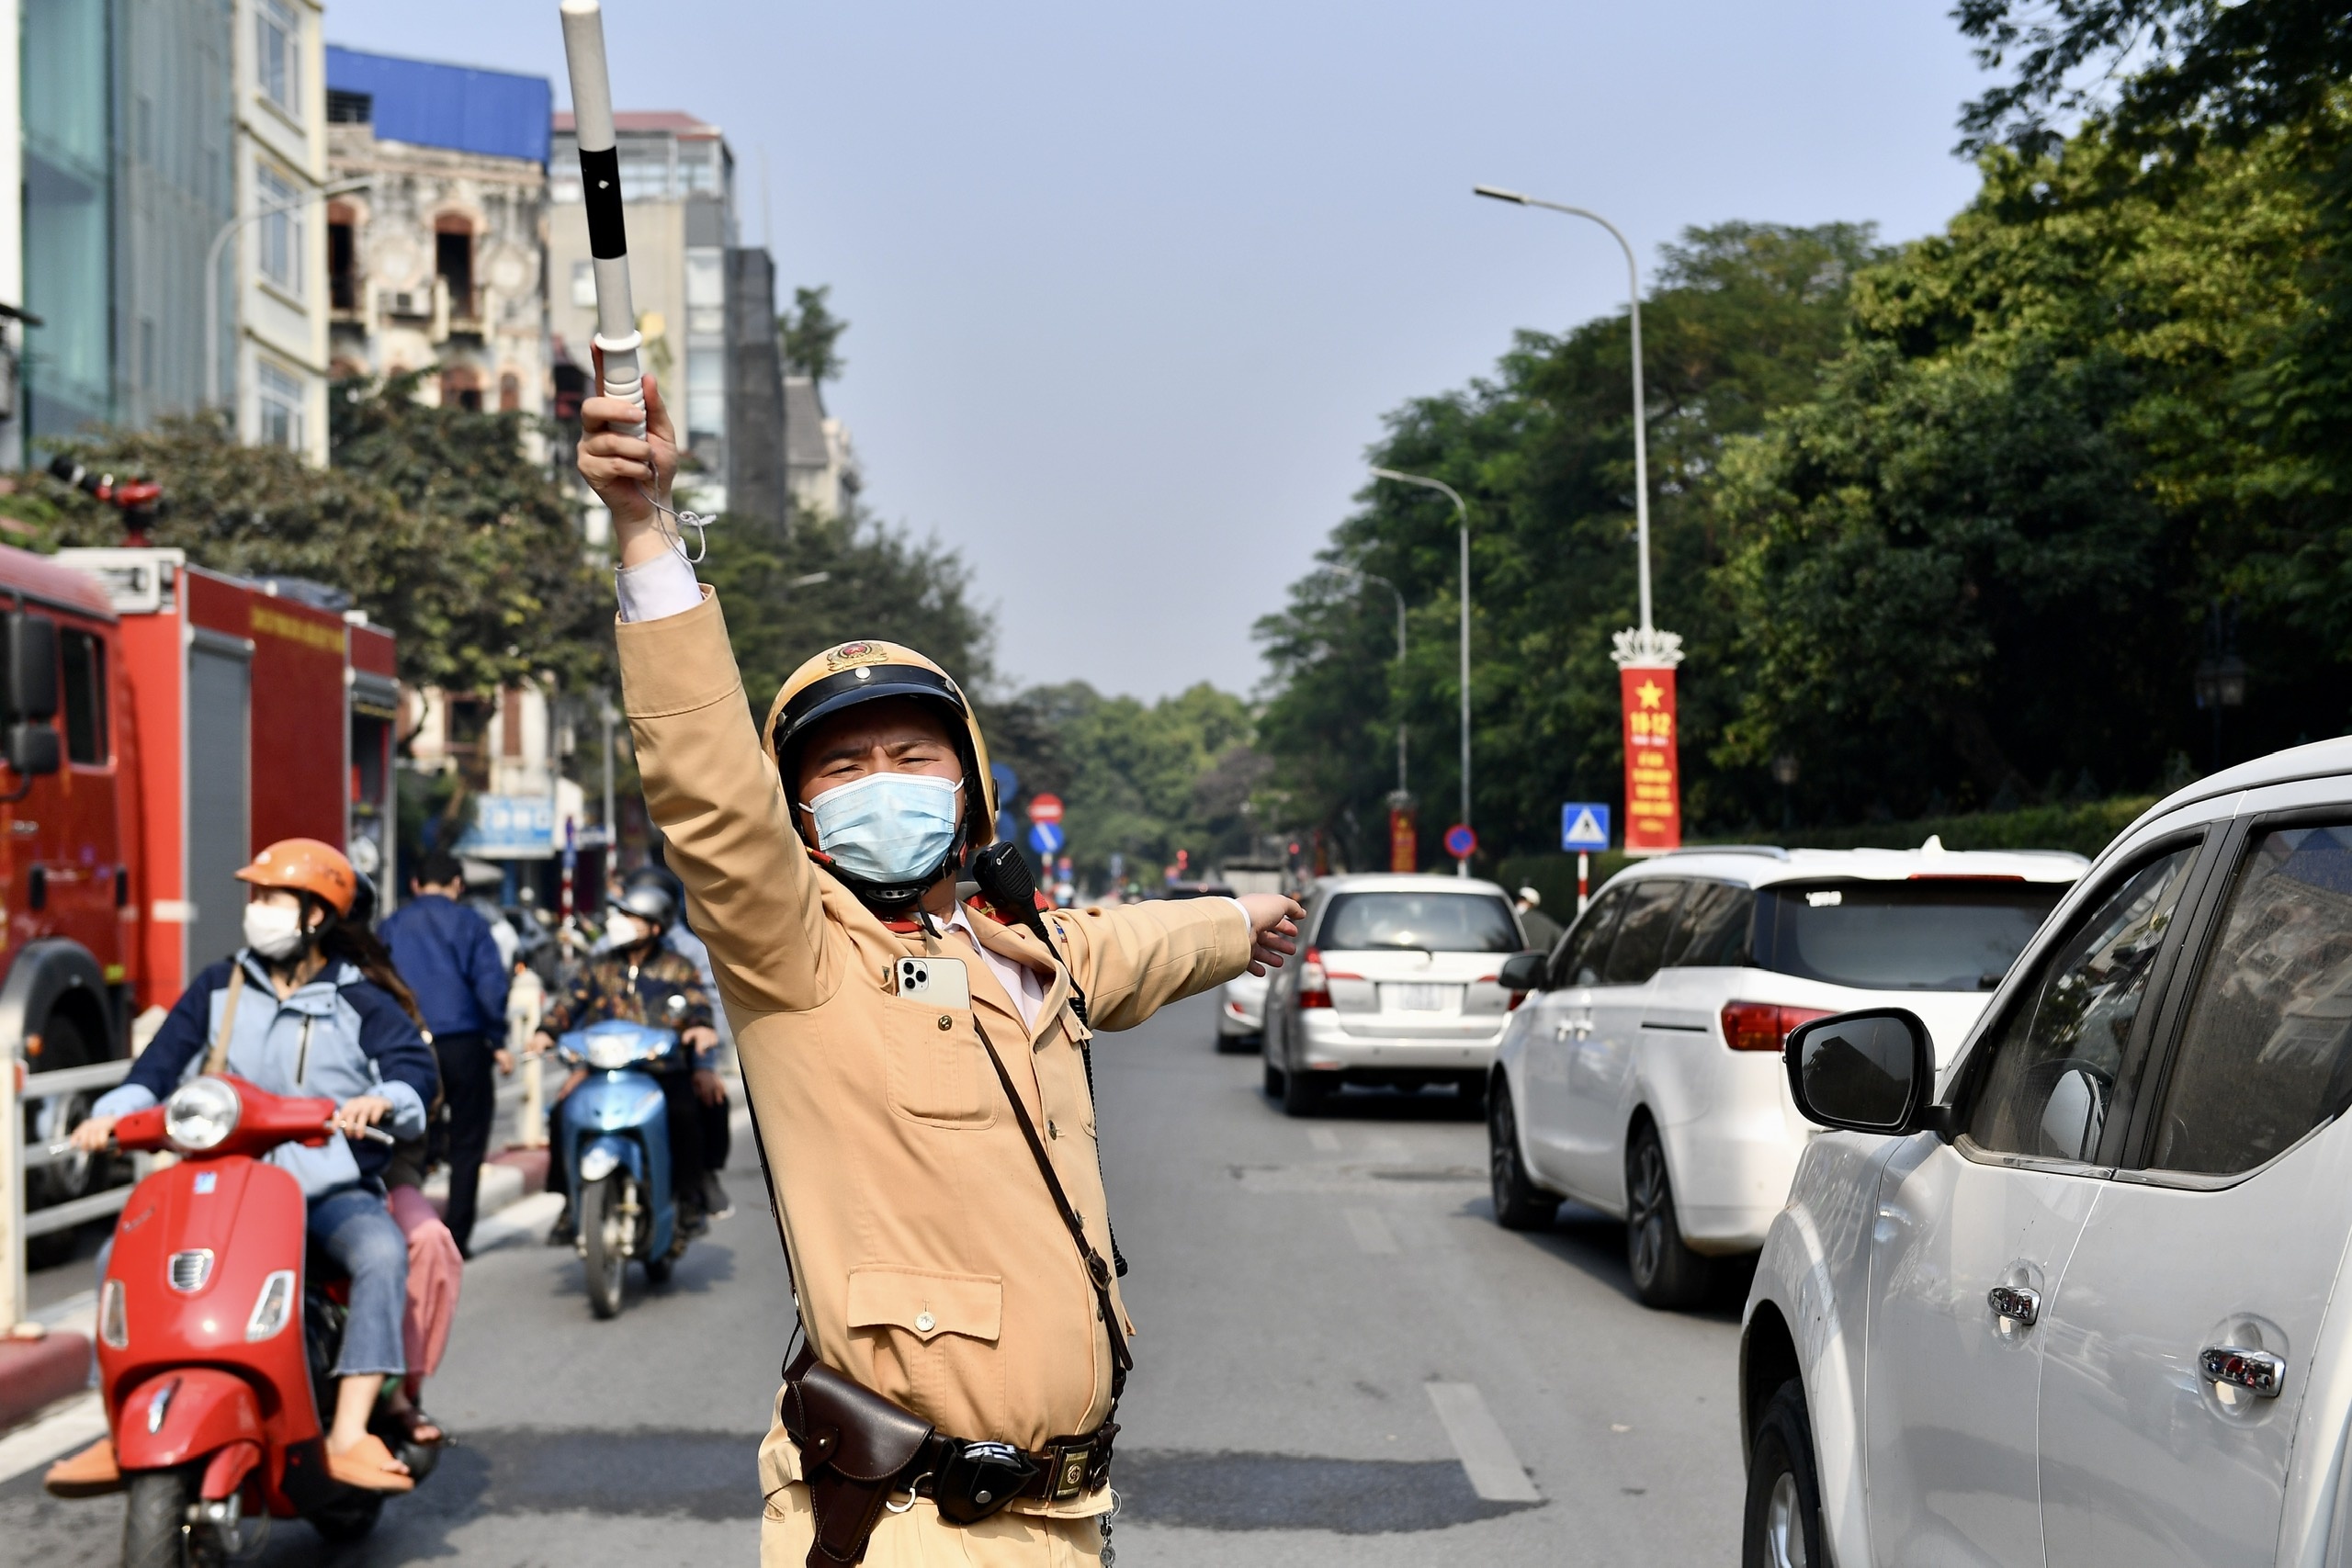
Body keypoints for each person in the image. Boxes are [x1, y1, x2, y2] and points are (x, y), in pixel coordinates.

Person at [578, 364, 1302, 1568]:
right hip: (911, 1526)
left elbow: (1119, 948)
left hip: (1062, 1515)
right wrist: (647, 528)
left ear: (967, 788)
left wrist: (1241, 914)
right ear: (799, 816)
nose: (882, 785)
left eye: (911, 755)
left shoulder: (1011, 944)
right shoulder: (795, 958)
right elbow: (708, 793)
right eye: (841, 771)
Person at [50, 839, 438, 1494]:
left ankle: (348, 1430)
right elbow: (153, 1072)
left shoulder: (358, 996)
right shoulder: (221, 984)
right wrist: (107, 1116)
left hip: (325, 1190)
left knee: (379, 1251)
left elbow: (412, 1072)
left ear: (316, 914)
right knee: (113, 1257)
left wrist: (383, 1099)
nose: (255, 909)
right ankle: (116, 1422)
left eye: (270, 897)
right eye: (254, 896)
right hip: (221, 1190)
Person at [532, 877, 723, 1245]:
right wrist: (546, 1031)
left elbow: (697, 1005)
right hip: (602, 1069)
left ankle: (689, 1200)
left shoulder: (677, 967)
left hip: (660, 1070)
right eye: (621, 914)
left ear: (654, 926)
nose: (621, 921)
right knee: (561, 1113)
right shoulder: (599, 966)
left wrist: (700, 1030)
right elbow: (568, 1003)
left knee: (687, 1115)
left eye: (632, 916)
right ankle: (569, 1202)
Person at [379, 850, 513, 1256]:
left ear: (415, 884)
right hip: (463, 1044)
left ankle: (409, 1224)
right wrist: (498, 1039)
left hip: (407, 1045)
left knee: (408, 1137)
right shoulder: (471, 924)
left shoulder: (390, 926)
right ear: (458, 885)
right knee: (469, 1142)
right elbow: (491, 988)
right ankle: (457, 1236)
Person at [1516, 886, 1564, 953]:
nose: (1519, 903)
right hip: (1541, 961)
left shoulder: (1514, 921)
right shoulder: (1548, 922)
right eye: (1519, 900)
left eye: (1523, 900)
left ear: (1531, 904)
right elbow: (1563, 940)